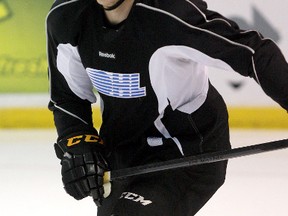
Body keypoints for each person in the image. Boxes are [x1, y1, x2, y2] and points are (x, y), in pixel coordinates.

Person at [46, 0, 288, 215]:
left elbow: (254, 53)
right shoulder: (67, 17)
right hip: (122, 156)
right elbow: (67, 98)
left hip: (187, 153)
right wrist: (80, 145)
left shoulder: (170, 15)